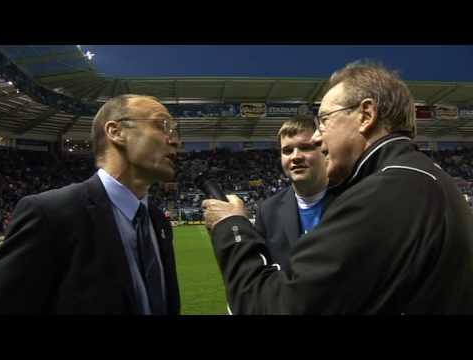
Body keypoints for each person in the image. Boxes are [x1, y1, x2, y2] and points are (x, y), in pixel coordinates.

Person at [202, 61, 473, 314]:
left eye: (324, 120)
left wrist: (232, 226)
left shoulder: (386, 192)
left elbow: (275, 305)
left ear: (365, 115)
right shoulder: (427, 177)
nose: (318, 137)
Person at [0, 94, 181, 314]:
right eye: (162, 125)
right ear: (116, 132)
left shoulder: (158, 221)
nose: (175, 140)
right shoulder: (50, 214)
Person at [255, 116, 334, 275]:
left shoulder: (352, 198)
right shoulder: (267, 211)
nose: (295, 156)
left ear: (325, 150)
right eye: (287, 150)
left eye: (305, 147)